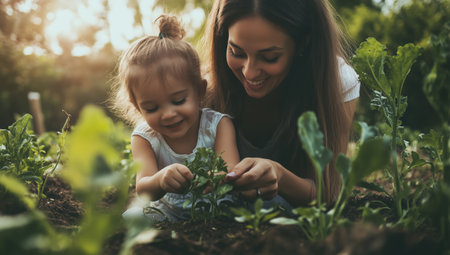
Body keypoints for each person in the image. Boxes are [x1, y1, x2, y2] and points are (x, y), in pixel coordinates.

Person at [203, 0, 360, 207]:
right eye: (237, 52)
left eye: (270, 57)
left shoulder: (337, 83)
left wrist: (280, 176)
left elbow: (330, 192)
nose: (249, 72)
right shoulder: (204, 89)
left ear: (303, 43)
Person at [110, 15, 240, 222]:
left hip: (219, 209)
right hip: (166, 212)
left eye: (178, 101)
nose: (168, 114)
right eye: (152, 108)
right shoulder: (144, 137)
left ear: (199, 92)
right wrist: (161, 180)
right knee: (129, 220)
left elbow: (231, 169)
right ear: (137, 107)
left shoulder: (218, 125)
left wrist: (216, 178)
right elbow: (143, 188)